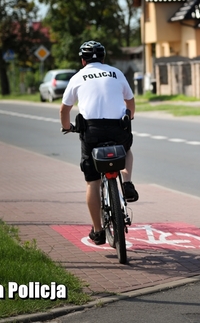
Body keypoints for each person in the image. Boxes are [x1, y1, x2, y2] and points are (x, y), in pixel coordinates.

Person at [60, 40, 139, 246]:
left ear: (83, 60)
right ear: (104, 58)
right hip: (117, 129)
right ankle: (127, 182)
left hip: (91, 131)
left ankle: (98, 231)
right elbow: (130, 102)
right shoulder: (116, 73)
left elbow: (64, 110)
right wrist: (128, 117)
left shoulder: (78, 76)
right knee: (127, 149)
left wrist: (67, 126)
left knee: (92, 181)